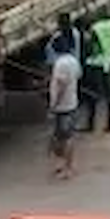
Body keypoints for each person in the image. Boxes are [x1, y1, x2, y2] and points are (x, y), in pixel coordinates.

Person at [46, 33, 83, 178]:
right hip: (72, 103)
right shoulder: (73, 61)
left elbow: (61, 85)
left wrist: (54, 105)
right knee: (64, 137)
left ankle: (67, 168)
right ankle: (65, 166)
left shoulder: (60, 64)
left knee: (65, 138)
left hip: (63, 106)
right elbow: (77, 77)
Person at [83, 13, 110, 133]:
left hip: (96, 65)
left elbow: (92, 49)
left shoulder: (95, 30)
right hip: (109, 62)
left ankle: (91, 125)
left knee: (92, 96)